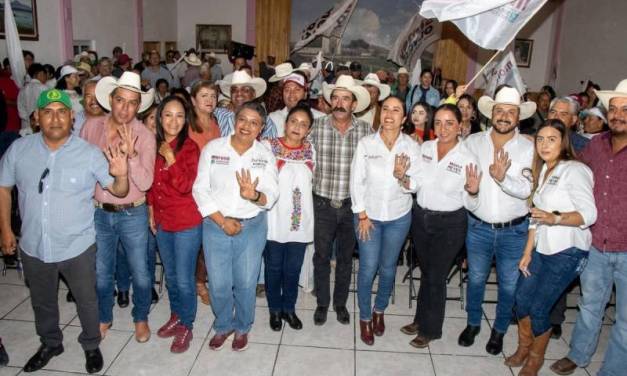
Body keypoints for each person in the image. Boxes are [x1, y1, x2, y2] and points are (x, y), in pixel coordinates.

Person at [0, 89, 131, 374]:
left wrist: (121, 173)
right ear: (36, 118)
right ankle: (50, 343)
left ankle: (91, 344)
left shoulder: (88, 153)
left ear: (72, 117)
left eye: (62, 111)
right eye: (48, 112)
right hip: (34, 245)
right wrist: (6, 230)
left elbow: (119, 191)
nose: (55, 118)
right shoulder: (19, 150)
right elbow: (3, 188)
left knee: (87, 299)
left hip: (77, 246)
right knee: (42, 301)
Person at [504, 119, 596, 376]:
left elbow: (589, 214)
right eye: (540, 139)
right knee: (521, 300)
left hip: (567, 251)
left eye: (551, 139)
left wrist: (556, 218)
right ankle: (524, 347)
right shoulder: (544, 170)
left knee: (539, 308)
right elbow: (536, 215)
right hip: (541, 249)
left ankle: (535, 358)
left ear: (563, 142)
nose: (544, 144)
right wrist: (526, 252)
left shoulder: (575, 170)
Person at [550, 79, 627, 376]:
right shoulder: (595, 146)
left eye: (625, 109)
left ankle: (613, 371)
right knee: (589, 306)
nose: (618, 114)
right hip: (596, 243)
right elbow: (575, 176)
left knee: (624, 321)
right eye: (614, 108)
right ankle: (578, 354)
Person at [193, 101, 279, 352]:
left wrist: (253, 195)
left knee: (245, 281)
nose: (247, 126)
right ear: (235, 120)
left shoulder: (264, 155)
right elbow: (200, 188)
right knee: (218, 283)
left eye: (254, 123)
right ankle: (223, 325)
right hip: (215, 224)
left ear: (261, 128)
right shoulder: (213, 148)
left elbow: (272, 194)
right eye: (243, 120)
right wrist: (222, 221)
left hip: (252, 227)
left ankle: (242, 326)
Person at [459, 86, 536, 356]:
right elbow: (466, 186)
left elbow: (528, 189)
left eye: (510, 112)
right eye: (500, 111)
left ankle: (500, 329)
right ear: (491, 113)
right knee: (476, 279)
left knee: (508, 284)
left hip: (514, 232)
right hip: (478, 227)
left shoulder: (528, 148)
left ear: (518, 117)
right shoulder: (473, 143)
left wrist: (503, 178)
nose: (504, 116)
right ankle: (472, 324)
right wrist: (471, 191)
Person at [80, 72, 156, 342]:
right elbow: (80, 168)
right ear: (111, 99)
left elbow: (146, 182)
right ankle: (103, 317)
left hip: (133, 211)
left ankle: (141, 318)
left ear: (139, 106)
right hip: (100, 212)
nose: (125, 108)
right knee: (101, 273)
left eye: (132, 102)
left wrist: (132, 156)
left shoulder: (144, 135)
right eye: (120, 100)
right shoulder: (91, 128)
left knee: (141, 272)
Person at [399, 104, 481, 348]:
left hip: (450, 225)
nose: (443, 128)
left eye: (449, 123)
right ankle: (420, 319)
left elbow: (471, 203)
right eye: (438, 123)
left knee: (436, 275)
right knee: (427, 271)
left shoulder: (468, 158)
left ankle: (430, 329)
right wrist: (403, 177)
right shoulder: (425, 148)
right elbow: (416, 183)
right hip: (422, 219)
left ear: (460, 126)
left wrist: (473, 191)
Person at [350, 96, 419, 345]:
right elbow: (356, 181)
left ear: (404, 118)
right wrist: (362, 215)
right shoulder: (366, 144)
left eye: (396, 110)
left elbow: (416, 185)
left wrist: (402, 177)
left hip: (399, 217)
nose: (389, 114)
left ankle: (380, 311)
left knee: (388, 268)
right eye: (386, 109)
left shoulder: (411, 146)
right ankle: (365, 318)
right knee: (368, 267)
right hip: (368, 218)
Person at [310, 75, 372, 326]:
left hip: (351, 206)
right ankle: (322, 303)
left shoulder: (367, 131)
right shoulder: (316, 127)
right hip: (322, 203)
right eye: (335, 97)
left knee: (346, 258)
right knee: (322, 256)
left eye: (345, 98)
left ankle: (340, 304)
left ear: (354, 105)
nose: (339, 102)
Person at [148, 96, 202, 353]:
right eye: (168, 115)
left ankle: (187, 325)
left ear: (186, 119)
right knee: (171, 276)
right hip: (162, 220)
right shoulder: (154, 144)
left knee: (183, 279)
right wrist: (150, 209)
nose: (173, 120)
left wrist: (171, 157)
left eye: (179, 115)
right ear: (160, 118)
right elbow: (152, 183)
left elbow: (184, 186)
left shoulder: (189, 148)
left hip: (186, 222)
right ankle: (176, 314)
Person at [264, 102, 315, 332]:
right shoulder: (268, 147)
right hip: (274, 220)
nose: (297, 127)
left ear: (308, 130)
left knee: (293, 269)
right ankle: (274, 310)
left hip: (300, 222)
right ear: (285, 124)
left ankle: (289, 309)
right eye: (294, 121)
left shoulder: (311, 150)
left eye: (303, 124)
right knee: (274, 267)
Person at [188, 81, 221, 305]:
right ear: (193, 100)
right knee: (194, 240)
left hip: (212, 187)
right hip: (191, 188)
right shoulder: (187, 125)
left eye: (212, 96)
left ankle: (201, 280)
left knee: (207, 239)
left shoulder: (215, 122)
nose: (209, 100)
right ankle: (196, 283)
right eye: (204, 95)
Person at [214, 70, 277, 139]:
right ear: (230, 94)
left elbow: (270, 148)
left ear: (253, 94)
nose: (239, 93)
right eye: (234, 90)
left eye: (245, 90)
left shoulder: (266, 123)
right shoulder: (218, 115)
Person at [268, 64, 325, 136]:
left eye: (297, 89)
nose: (291, 94)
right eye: (287, 89)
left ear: (305, 94)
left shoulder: (320, 119)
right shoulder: (273, 119)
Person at [17, 63, 48, 133]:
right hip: (40, 123)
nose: (46, 79)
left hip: (26, 124)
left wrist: (28, 119)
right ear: (40, 74)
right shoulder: (44, 88)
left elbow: (20, 108)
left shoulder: (23, 89)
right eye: (45, 76)